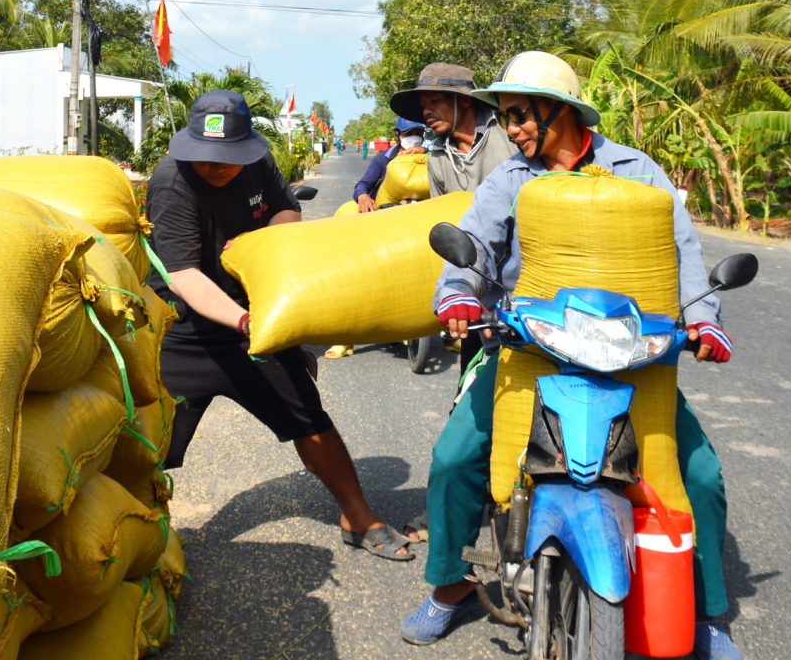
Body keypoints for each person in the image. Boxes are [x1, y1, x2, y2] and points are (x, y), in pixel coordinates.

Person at [399, 52, 742, 660]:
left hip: (630, 357)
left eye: (522, 113)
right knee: (454, 458)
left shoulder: (637, 172)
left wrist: (704, 320)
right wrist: (456, 293)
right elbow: (475, 239)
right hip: (529, 350)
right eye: (505, 117)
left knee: (701, 477)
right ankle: (449, 584)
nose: (515, 128)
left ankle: (706, 610)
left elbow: (682, 247)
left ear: (563, 111)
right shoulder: (510, 179)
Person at [146, 89, 414, 561]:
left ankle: (358, 515)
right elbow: (184, 275)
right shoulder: (171, 182)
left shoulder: (260, 164)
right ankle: (143, 533)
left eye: (226, 157)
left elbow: (288, 211)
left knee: (309, 419)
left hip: (256, 319)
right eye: (206, 158)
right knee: (153, 444)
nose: (216, 166)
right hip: (185, 331)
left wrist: (259, 251)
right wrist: (245, 320)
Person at [388, 62, 517, 375]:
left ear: (465, 100)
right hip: (475, 289)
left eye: (435, 102)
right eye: (424, 106)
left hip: (522, 286)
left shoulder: (509, 136)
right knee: (471, 389)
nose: (427, 112)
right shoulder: (436, 158)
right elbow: (449, 224)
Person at [325, 117, 428, 361]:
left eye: (418, 132)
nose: (414, 137)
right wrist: (362, 196)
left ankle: (452, 336)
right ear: (397, 134)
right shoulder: (383, 159)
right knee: (356, 273)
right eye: (409, 132)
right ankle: (345, 337)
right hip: (385, 222)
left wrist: (427, 153)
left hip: (419, 225)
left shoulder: (431, 158)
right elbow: (363, 184)